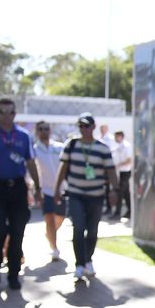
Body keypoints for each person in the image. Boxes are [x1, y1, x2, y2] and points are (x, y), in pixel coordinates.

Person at [0, 98, 41, 290]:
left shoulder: (24, 135)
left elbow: (31, 163)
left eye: (10, 112)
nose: (6, 116)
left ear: (15, 114)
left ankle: (13, 274)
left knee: (17, 232)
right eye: (2, 112)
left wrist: (38, 189)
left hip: (18, 188)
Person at [54, 112, 117, 279]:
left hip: (96, 195)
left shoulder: (102, 148)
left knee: (93, 231)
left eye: (86, 126)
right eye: (80, 126)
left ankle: (88, 259)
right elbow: (63, 168)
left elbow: (111, 171)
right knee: (78, 228)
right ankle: (79, 264)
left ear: (93, 127)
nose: (83, 129)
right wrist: (56, 189)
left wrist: (114, 191)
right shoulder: (72, 145)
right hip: (76, 194)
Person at [33, 121, 67, 261]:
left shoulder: (59, 147)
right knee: (50, 219)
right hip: (45, 190)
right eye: (40, 129)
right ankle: (54, 248)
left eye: (46, 129)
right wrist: (35, 189)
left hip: (61, 189)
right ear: (37, 131)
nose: (44, 131)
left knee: (60, 217)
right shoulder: (34, 149)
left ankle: (50, 234)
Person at [111, 130, 133, 219]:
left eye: (117, 136)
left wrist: (118, 165)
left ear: (121, 136)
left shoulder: (127, 146)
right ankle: (130, 211)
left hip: (126, 172)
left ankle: (117, 213)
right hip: (121, 172)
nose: (115, 138)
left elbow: (129, 160)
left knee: (120, 192)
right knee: (126, 193)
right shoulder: (118, 146)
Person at [98, 123, 116, 216]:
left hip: (107, 166)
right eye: (101, 128)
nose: (102, 130)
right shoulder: (99, 138)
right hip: (101, 166)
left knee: (109, 188)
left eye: (103, 128)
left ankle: (110, 208)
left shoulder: (110, 139)